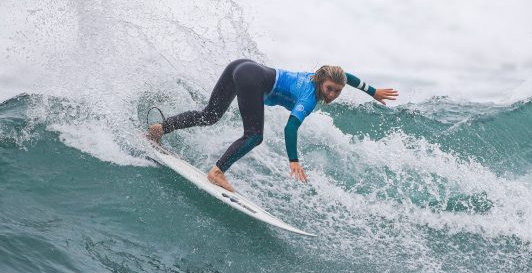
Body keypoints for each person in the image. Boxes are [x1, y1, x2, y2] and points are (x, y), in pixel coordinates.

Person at [147, 59, 398, 192]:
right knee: (254, 136)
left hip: (242, 66)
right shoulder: (308, 98)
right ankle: (217, 172)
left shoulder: (319, 76)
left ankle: (159, 128)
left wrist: (372, 91)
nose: (332, 95)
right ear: (321, 82)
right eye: (329, 89)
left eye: (337, 91)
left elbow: (347, 76)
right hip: (252, 78)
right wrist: (294, 160)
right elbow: (290, 128)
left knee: (210, 114)